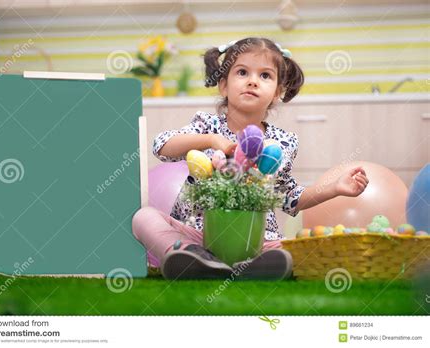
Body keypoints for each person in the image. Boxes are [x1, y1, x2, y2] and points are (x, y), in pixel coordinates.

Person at [132, 37, 369, 280]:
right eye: (242, 72)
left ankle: (252, 265)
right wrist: (211, 140)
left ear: (277, 92)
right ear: (224, 85)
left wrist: (335, 188)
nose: (253, 81)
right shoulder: (206, 125)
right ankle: (191, 257)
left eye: (265, 76)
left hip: (255, 240)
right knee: (144, 217)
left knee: (290, 250)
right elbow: (161, 145)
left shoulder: (282, 142)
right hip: (199, 236)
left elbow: (289, 198)